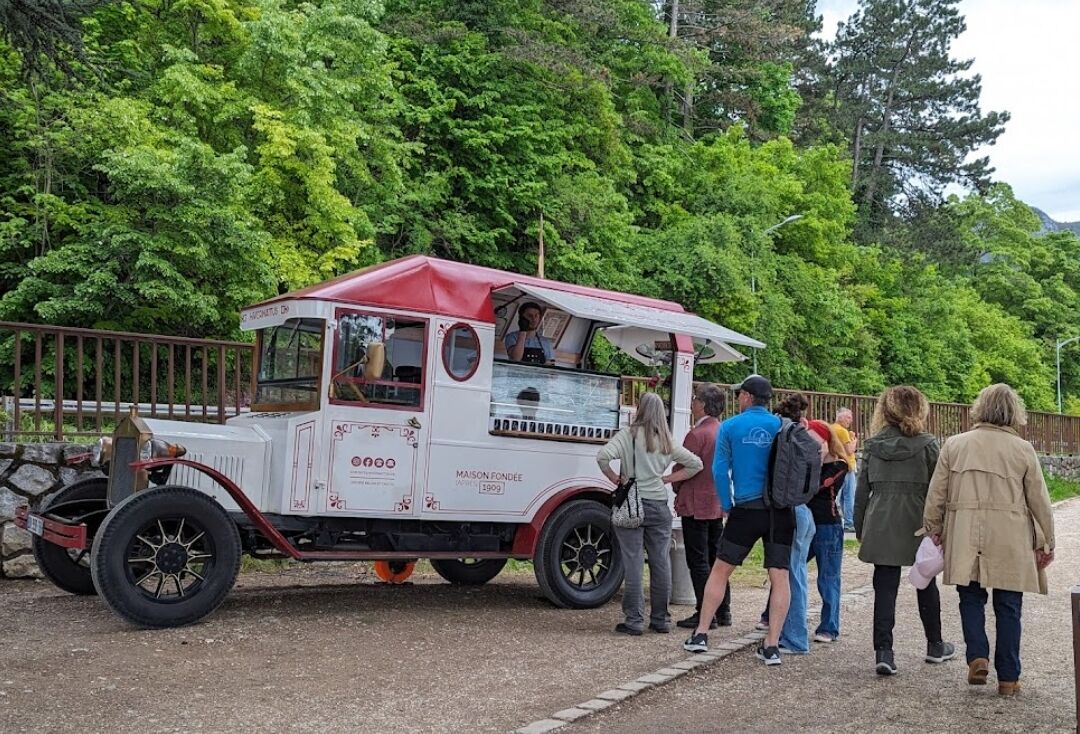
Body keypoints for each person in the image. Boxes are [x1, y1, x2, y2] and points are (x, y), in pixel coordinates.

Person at [923, 383, 1055, 696]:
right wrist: (1046, 541)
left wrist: (933, 527)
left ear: (979, 408)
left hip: (965, 530)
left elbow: (936, 493)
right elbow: (1039, 500)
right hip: (1011, 534)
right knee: (1009, 606)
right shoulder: (1023, 449)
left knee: (970, 597)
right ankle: (1008, 678)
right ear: (1014, 412)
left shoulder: (955, 444)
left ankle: (977, 656)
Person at [682, 375, 793, 667]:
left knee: (720, 571)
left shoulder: (730, 427)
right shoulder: (782, 426)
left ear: (746, 397)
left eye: (740, 394)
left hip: (745, 508)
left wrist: (728, 504)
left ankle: (701, 635)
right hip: (780, 511)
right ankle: (771, 646)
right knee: (779, 576)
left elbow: (720, 471)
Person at [854, 386, 955, 676]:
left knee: (884, 588)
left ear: (885, 411)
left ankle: (884, 651)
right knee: (925, 580)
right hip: (918, 520)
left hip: (881, 521)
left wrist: (861, 527)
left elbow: (861, 493)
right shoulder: (928, 445)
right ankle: (935, 645)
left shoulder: (873, 446)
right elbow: (940, 489)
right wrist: (942, 525)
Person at [597, 392, 703, 635]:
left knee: (633, 562)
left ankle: (634, 621)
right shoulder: (666, 440)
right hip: (658, 505)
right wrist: (666, 478)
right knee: (660, 562)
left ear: (640, 409)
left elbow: (603, 456)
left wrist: (616, 478)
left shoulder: (628, 435)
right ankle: (660, 619)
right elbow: (696, 464)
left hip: (632, 503)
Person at [756, 392, 816, 654]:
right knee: (796, 574)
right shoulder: (801, 435)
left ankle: (794, 638)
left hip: (788, 511)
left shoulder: (781, 436)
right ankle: (792, 633)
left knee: (791, 577)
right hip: (804, 510)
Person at [673, 383, 731, 631]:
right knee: (717, 558)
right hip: (716, 502)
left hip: (696, 502)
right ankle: (724, 609)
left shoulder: (696, 435)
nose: (692, 402)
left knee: (697, 560)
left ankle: (704, 611)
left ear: (704, 405)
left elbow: (682, 467)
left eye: (696, 399)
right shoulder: (723, 431)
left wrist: (675, 486)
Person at [805, 420, 849, 644]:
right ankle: (771, 615)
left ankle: (829, 626)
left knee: (828, 577)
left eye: (815, 442)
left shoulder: (839, 466)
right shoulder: (807, 464)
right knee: (787, 570)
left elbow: (819, 486)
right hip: (805, 525)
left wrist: (817, 459)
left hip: (827, 526)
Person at [832, 408, 858, 531]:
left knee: (839, 495)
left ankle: (842, 520)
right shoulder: (842, 431)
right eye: (848, 417)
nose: (850, 420)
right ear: (840, 417)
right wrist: (854, 440)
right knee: (849, 496)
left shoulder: (832, 428)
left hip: (836, 464)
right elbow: (849, 450)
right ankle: (849, 522)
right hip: (848, 465)